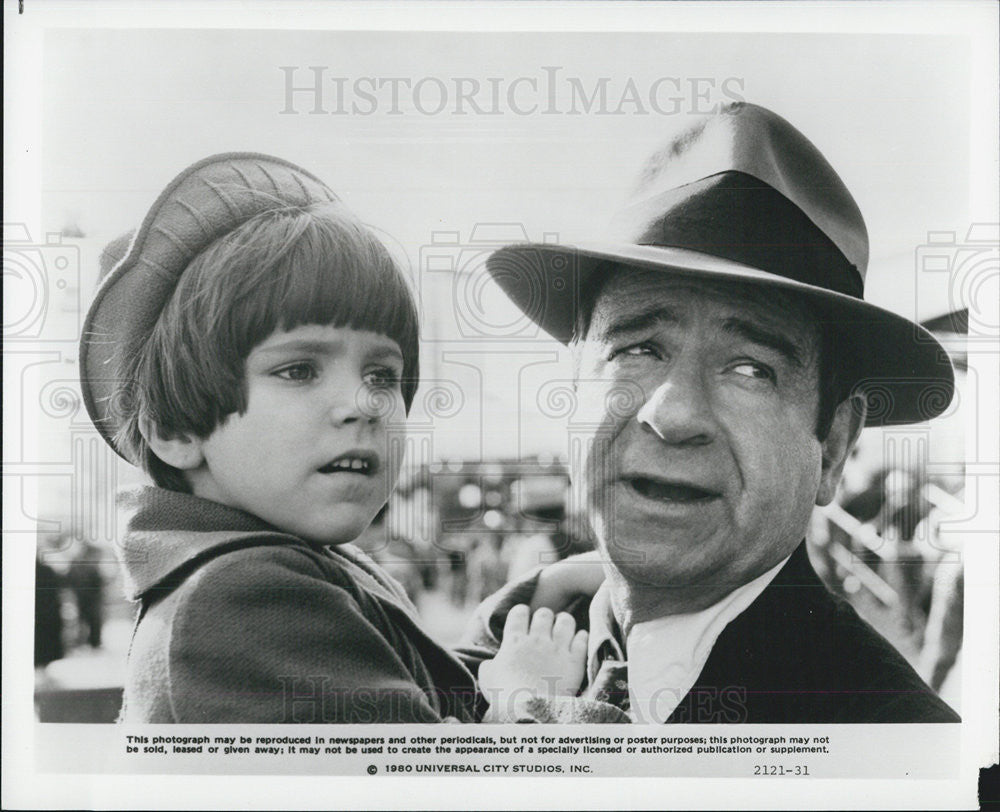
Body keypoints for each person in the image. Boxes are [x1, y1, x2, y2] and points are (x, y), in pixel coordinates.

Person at [463, 103, 961, 723]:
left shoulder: (886, 744)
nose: (672, 415)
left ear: (832, 445)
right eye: (638, 349)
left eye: (750, 369)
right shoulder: (478, 664)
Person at [79, 153, 587, 723]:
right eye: (298, 370)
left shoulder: (284, 560)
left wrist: (544, 590)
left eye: (382, 375)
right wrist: (530, 703)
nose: (363, 404)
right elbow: (437, 786)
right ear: (174, 429)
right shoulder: (243, 598)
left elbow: (421, 685)